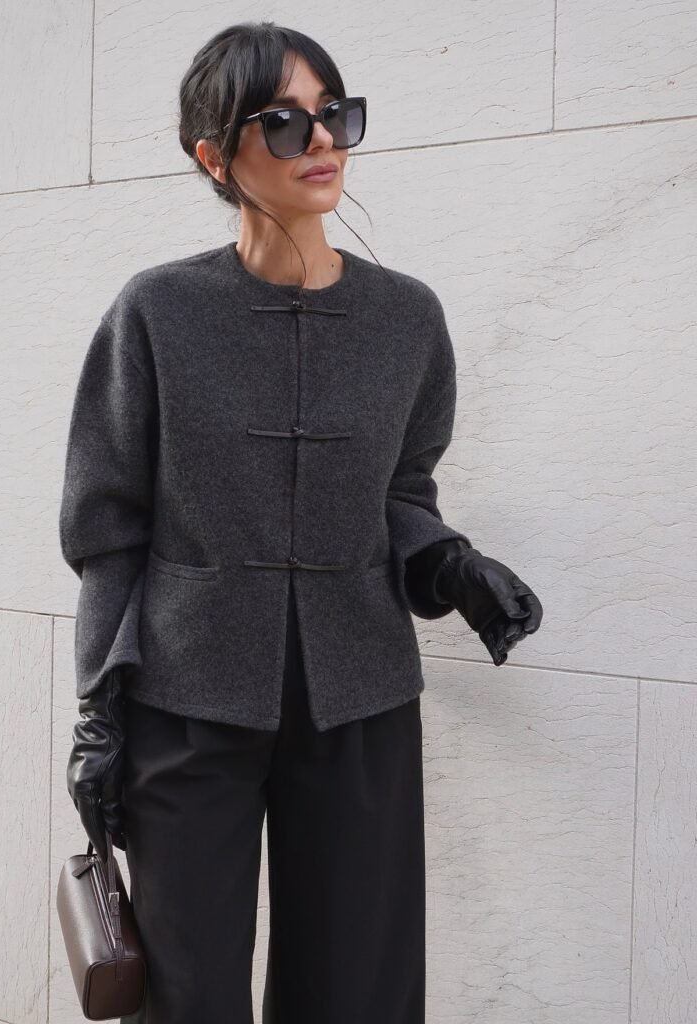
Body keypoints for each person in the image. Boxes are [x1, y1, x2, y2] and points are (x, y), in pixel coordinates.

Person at [59, 21, 543, 1024]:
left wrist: (450, 566)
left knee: (357, 989)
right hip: (188, 702)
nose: (320, 140)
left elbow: (401, 495)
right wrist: (102, 715)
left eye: (335, 114)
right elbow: (107, 533)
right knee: (188, 995)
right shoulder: (154, 314)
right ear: (213, 155)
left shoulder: (408, 320)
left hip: (358, 695)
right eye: (282, 121)